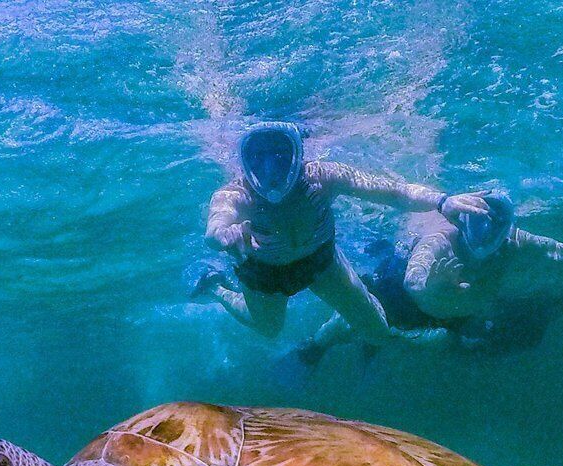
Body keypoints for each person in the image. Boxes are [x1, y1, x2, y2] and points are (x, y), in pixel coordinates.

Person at [294, 190, 563, 365]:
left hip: (452, 314)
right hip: (399, 294)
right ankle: (312, 349)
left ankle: (381, 345)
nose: (481, 237)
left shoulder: (519, 243)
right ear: (463, 218)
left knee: (464, 341)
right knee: (346, 325)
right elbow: (414, 282)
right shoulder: (442, 235)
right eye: (475, 224)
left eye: (492, 230)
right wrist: (444, 286)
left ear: (506, 230)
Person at [187, 122, 491, 344]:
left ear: (298, 154)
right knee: (268, 329)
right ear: (245, 160)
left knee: (376, 328)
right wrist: (225, 235)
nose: (269, 171)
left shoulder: (323, 176)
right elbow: (215, 226)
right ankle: (215, 286)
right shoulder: (236, 193)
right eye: (258, 158)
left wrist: (443, 201)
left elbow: (392, 192)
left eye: (279, 156)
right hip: (263, 272)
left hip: (321, 263)